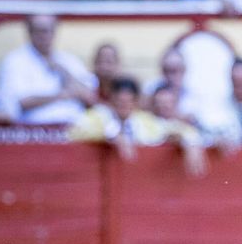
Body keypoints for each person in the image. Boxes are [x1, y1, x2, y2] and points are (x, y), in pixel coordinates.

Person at [69, 74, 205, 176]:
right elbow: (74, 134)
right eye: (119, 101)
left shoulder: (143, 121)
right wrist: (113, 134)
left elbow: (174, 129)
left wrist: (190, 143)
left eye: (128, 102)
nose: (124, 106)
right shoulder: (96, 117)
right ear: (111, 100)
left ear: (135, 103)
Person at [0, 14, 97, 126]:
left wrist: (66, 74)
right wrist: (61, 96)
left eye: (48, 31)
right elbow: (19, 103)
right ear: (29, 33)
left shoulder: (68, 60)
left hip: (73, 130)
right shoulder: (14, 61)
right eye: (39, 31)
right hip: (34, 130)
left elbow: (90, 98)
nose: (44, 36)